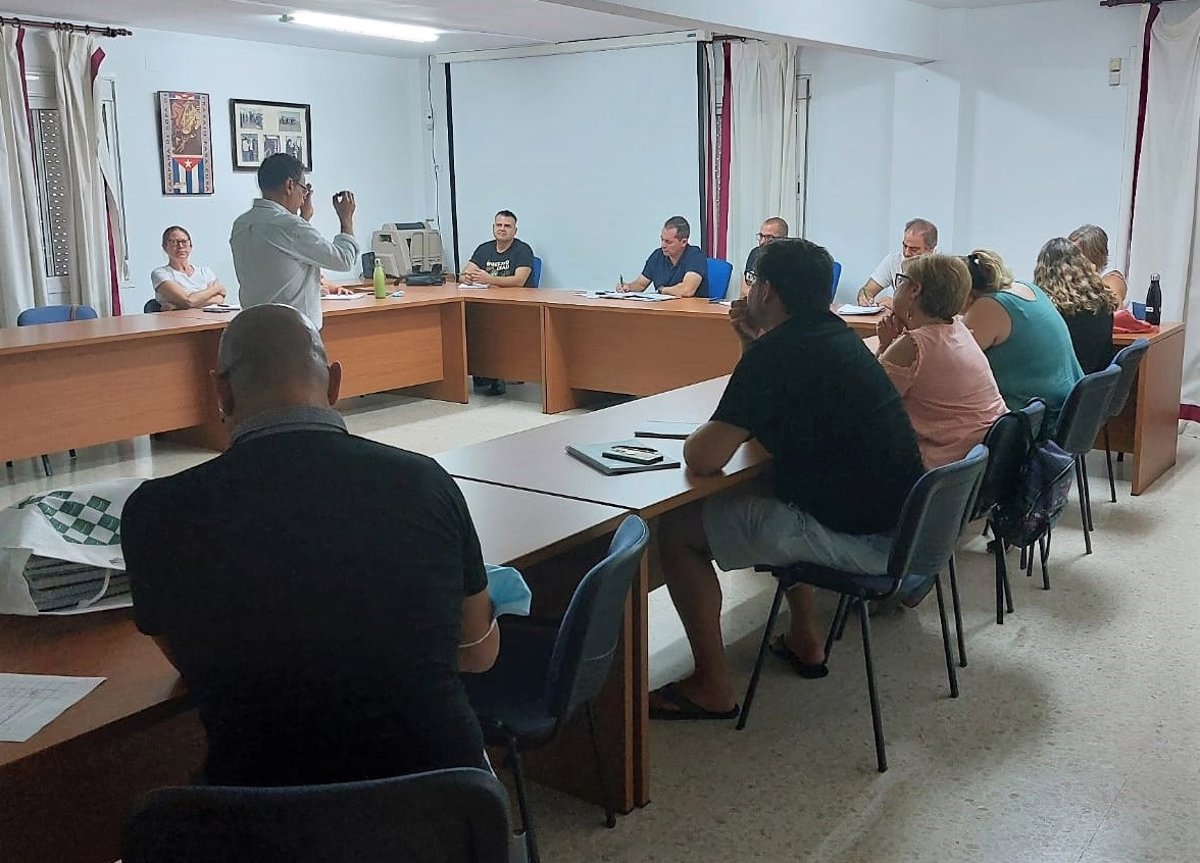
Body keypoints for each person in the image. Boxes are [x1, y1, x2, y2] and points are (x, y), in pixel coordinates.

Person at [122, 304, 498, 787]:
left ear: (221, 392)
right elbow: (478, 654)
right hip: (445, 801)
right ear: (335, 383)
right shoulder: (425, 483)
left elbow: (191, 661)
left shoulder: (155, 512)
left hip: (258, 811)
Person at [648, 239, 925, 719]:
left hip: (865, 541)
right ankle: (805, 637)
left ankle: (712, 685)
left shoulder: (779, 353)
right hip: (903, 524)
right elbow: (774, 410)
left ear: (768, 291)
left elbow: (703, 457)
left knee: (676, 531)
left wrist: (755, 356)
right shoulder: (838, 337)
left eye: (754, 280)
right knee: (774, 482)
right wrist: (751, 347)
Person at [876, 254, 1007, 468]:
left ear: (914, 290)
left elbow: (870, 403)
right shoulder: (958, 327)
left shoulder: (914, 344)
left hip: (943, 464)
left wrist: (884, 346)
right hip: (982, 455)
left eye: (900, 280)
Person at [961, 248, 1083, 437]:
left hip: (1035, 423)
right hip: (1066, 409)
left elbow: (951, 362)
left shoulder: (988, 306)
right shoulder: (1027, 288)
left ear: (966, 295)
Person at [230, 153, 359, 329]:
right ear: (289, 185)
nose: (303, 197)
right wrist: (346, 220)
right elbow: (344, 260)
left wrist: (304, 217)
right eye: (303, 189)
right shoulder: (290, 226)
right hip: (293, 332)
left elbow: (285, 256)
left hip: (253, 328)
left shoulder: (242, 223)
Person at [1035, 237, 1119, 374]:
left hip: (1067, 380)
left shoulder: (1052, 310)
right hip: (1095, 380)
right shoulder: (1103, 299)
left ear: (1042, 272)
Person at [616, 216, 709, 298]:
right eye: (662, 240)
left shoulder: (695, 256)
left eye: (668, 242)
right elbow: (640, 285)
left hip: (690, 310)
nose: (663, 245)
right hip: (663, 308)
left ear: (683, 242)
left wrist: (663, 290)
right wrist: (628, 287)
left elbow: (687, 290)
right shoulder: (658, 255)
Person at [856, 218, 938, 307]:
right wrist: (864, 296)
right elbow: (868, 289)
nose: (906, 253)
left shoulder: (942, 268)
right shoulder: (894, 260)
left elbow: (935, 309)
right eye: (905, 246)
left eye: (914, 249)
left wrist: (898, 306)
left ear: (930, 250)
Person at [151, 226, 227, 310]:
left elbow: (220, 299)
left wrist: (177, 306)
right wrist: (216, 288)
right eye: (174, 242)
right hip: (177, 318)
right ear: (165, 247)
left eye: (184, 241)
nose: (180, 246)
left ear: (190, 246)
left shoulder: (205, 272)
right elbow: (188, 301)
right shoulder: (161, 273)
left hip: (207, 316)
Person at [461, 210, 536, 288]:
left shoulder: (523, 250)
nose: (502, 229)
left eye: (507, 226)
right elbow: (462, 276)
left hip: (517, 295)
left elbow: (519, 281)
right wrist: (467, 279)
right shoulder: (483, 249)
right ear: (493, 227)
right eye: (499, 225)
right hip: (489, 294)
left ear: (515, 231)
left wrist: (490, 279)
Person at [1068, 224, 1128, 305]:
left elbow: (1115, 308)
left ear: (1094, 254)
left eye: (1076, 253)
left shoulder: (1112, 280)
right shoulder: (1076, 277)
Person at [739, 217, 788, 297]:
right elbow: (744, 290)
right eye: (761, 236)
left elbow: (775, 298)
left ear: (783, 239)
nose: (762, 242)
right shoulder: (755, 253)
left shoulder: (789, 263)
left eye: (769, 237)